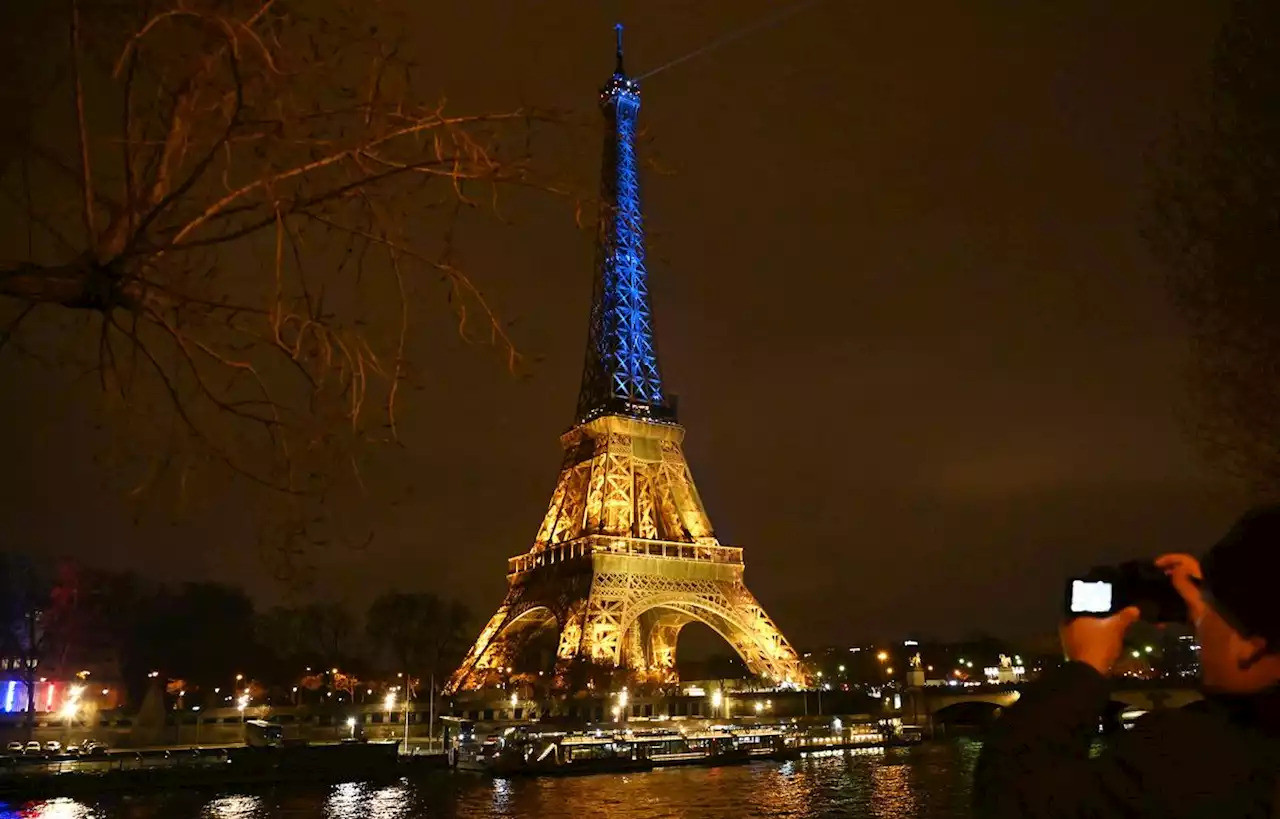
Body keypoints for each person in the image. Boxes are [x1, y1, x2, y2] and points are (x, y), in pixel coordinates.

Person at [974, 504, 1280, 818]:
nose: (1197, 621)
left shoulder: (1191, 761)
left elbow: (1013, 796)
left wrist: (1084, 666)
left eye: (1211, 609)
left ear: (1251, 647)